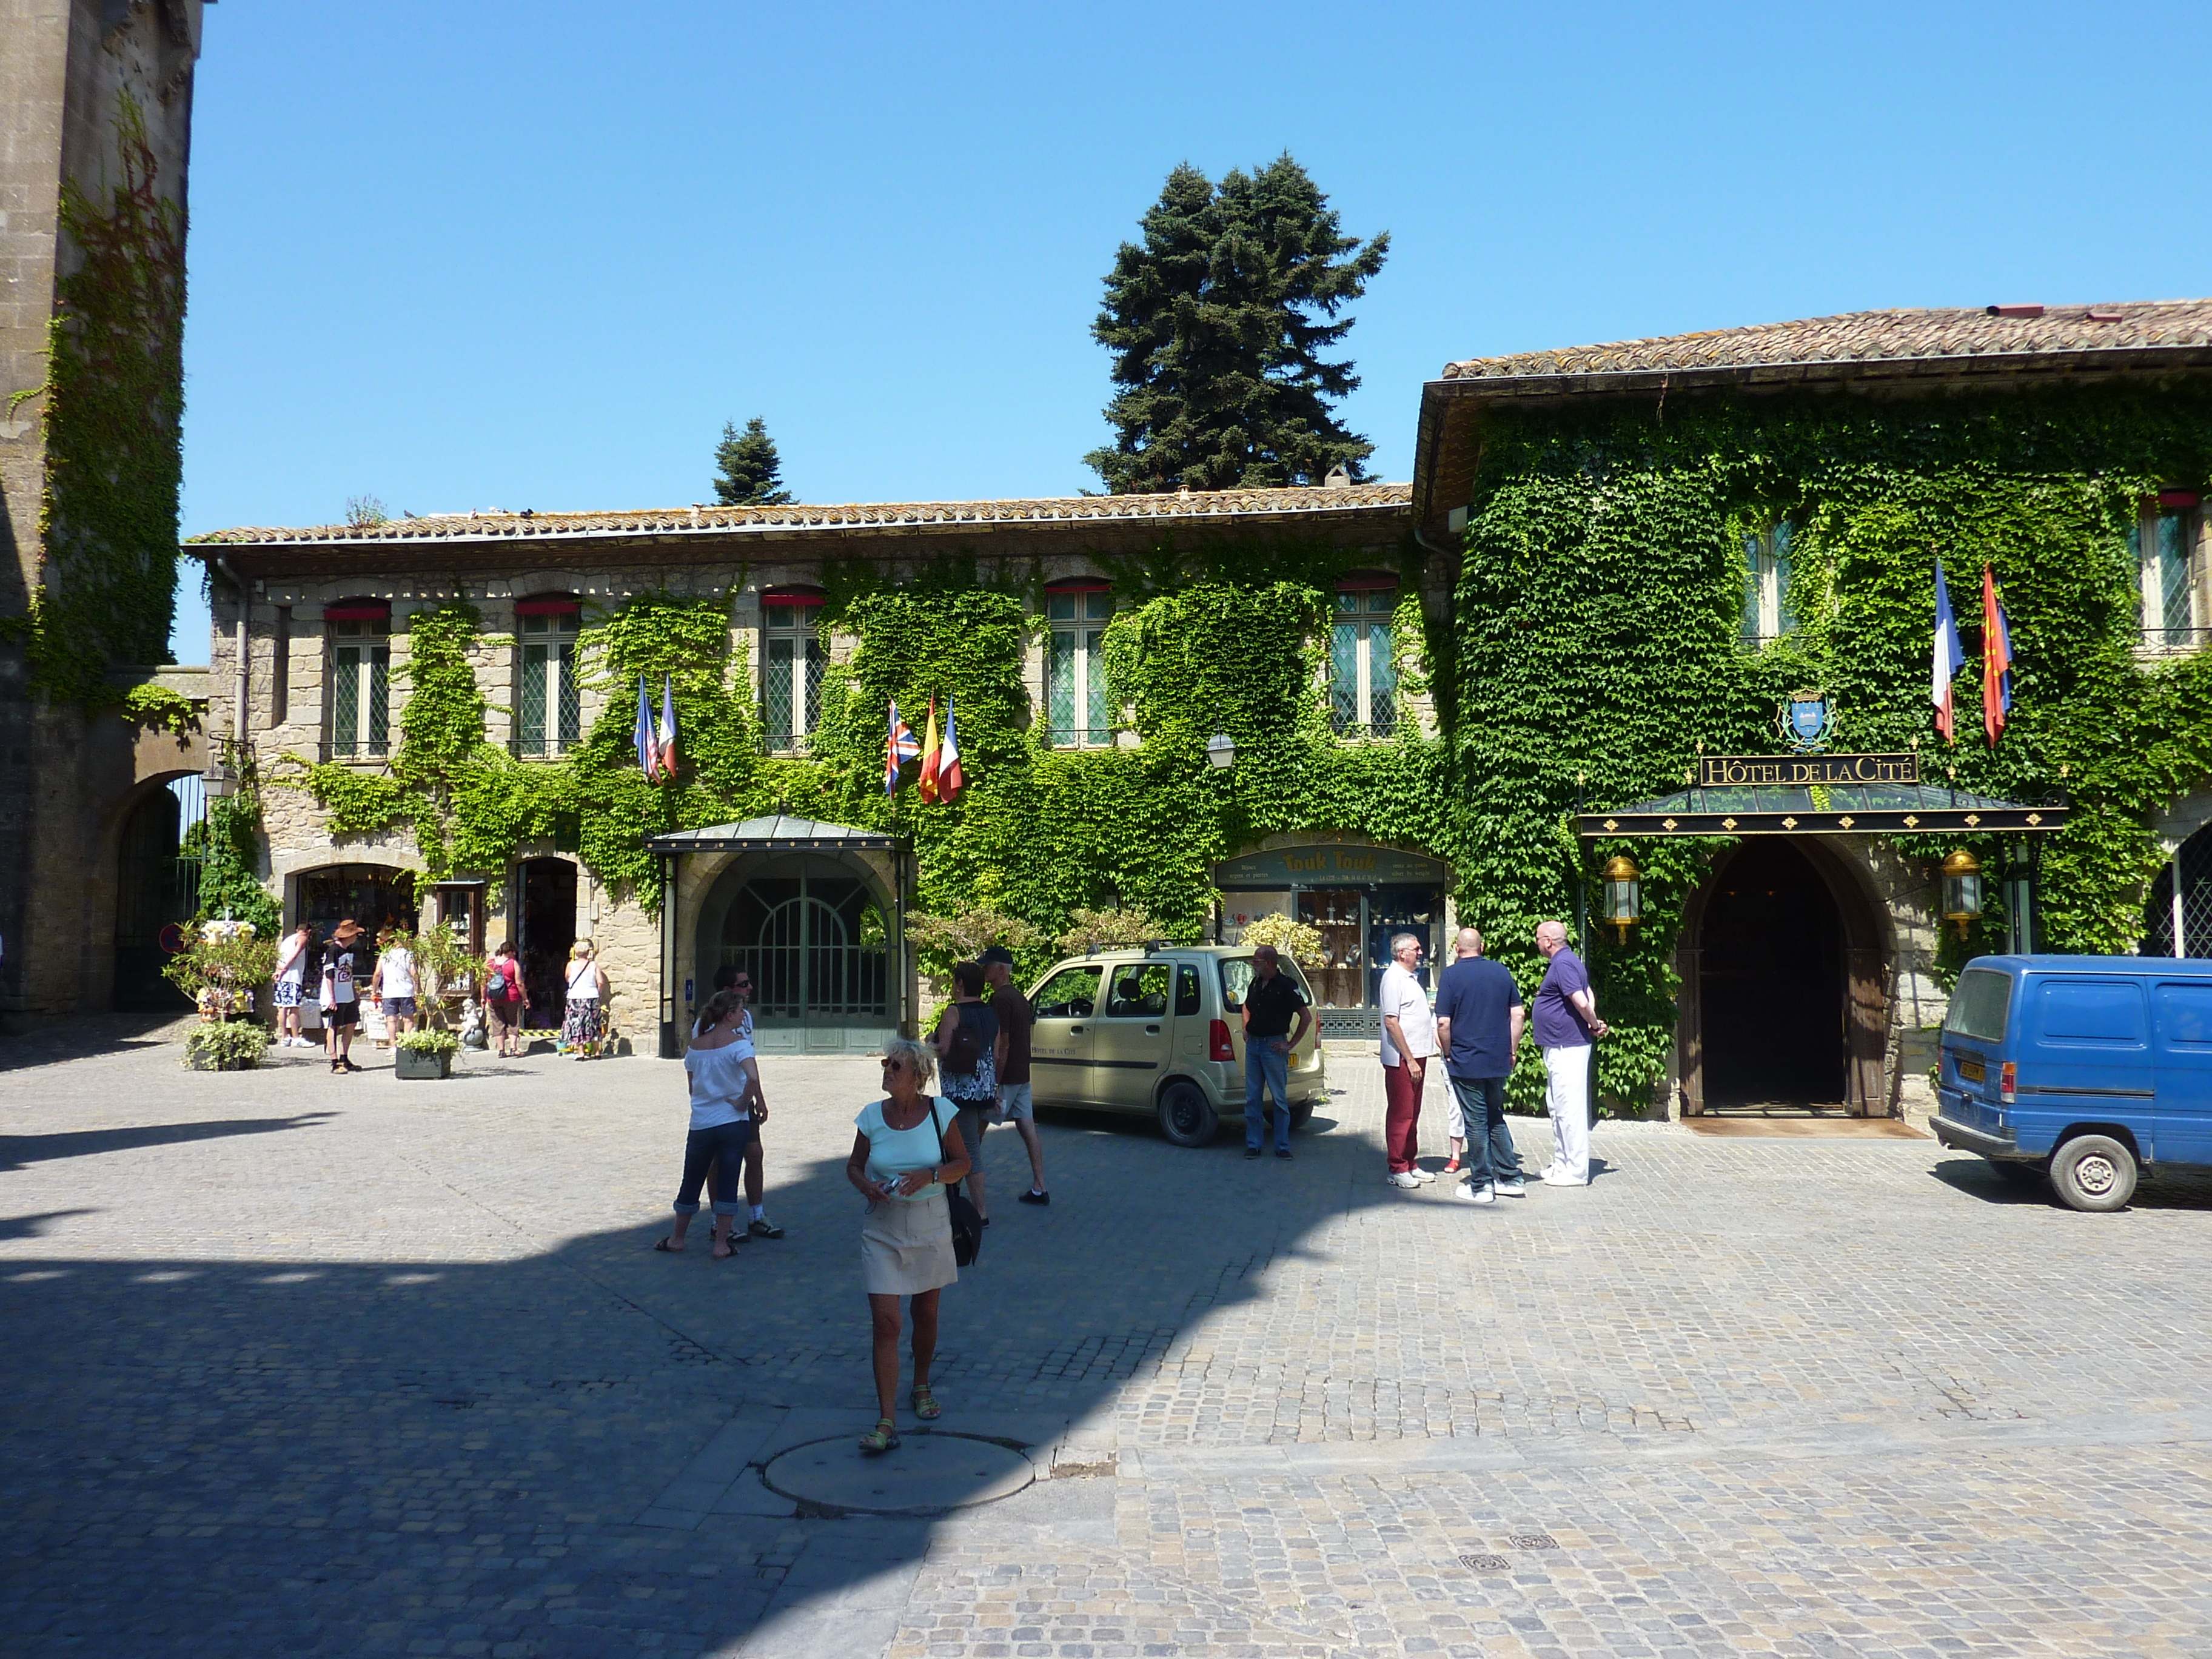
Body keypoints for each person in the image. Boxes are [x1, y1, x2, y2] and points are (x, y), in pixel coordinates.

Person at [846, 1036, 970, 1455]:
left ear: (917, 1075)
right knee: (886, 1323)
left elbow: (962, 1164)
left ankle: (921, 1384)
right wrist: (867, 1187)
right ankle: (886, 1420)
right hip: (882, 1227)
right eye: (885, 1063)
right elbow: (854, 1166)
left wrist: (931, 1176)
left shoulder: (940, 1111)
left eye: (895, 1065)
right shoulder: (870, 1116)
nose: (887, 1070)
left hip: (930, 1222)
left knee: (925, 1312)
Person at [657, 989, 756, 1261]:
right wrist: (741, 1103)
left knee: (692, 1178)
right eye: (740, 1011)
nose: (743, 1015)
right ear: (730, 1015)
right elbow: (753, 1078)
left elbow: (692, 1087)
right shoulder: (739, 1045)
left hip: (701, 1122)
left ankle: (678, 1237)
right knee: (728, 1179)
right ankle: (721, 1243)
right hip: (732, 1121)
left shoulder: (695, 1047)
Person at [1433, 927, 1528, 1207]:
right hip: (1497, 1058)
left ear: (1457, 949)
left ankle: (1482, 1184)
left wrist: (1448, 1052)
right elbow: (1518, 1014)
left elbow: (1443, 1023)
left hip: (1466, 1060)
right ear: (1482, 946)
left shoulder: (1451, 976)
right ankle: (1511, 1178)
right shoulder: (1502, 972)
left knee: (1475, 1122)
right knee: (1495, 1116)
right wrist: (1512, 1049)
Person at [694, 964, 782, 1240]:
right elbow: (698, 1064)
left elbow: (750, 1061)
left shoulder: (745, 1018)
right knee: (718, 1162)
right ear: (727, 991)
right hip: (722, 1103)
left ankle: (757, 1216)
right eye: (743, 984)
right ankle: (718, 1222)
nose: (750, 987)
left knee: (754, 1155)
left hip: (744, 1100)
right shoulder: (705, 1025)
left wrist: (758, 1097)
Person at [1531, 920, 1607, 1186]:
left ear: (1549, 941)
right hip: (1560, 1046)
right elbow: (1588, 993)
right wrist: (1591, 1022)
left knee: (1569, 1110)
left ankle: (1575, 1171)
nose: (1537, 942)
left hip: (1567, 1047)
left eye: (1539, 938)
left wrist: (1595, 1024)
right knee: (1557, 1107)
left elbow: (1581, 1000)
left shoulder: (1562, 964)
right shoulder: (1570, 961)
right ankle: (1562, 1164)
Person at [933, 961, 1005, 1224]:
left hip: (961, 1089)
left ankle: (980, 1212)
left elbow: (944, 1048)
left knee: (969, 1149)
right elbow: (996, 1054)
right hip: (984, 1088)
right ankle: (953, 1198)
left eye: (954, 981)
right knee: (964, 1144)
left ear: (961, 983)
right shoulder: (990, 1014)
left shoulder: (955, 1012)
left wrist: (930, 1042)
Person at [979, 946, 1048, 1206]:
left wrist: (994, 1082)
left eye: (988, 966)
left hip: (1006, 1077)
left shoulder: (1001, 1000)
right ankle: (1040, 1186)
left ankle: (956, 1184)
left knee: (977, 1130)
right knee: (1027, 1126)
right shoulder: (1019, 998)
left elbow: (1003, 1043)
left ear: (1001, 970)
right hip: (1022, 1074)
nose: (984, 970)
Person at [1239, 944, 1311, 1160]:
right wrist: (1245, 1029)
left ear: (1269, 963)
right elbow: (1246, 1006)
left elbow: (1305, 1017)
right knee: (1253, 1097)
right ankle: (1254, 1144)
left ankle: (1282, 1145)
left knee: (1279, 1098)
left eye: (1257, 962)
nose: (1253, 966)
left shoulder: (1286, 985)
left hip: (1274, 1046)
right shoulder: (1255, 984)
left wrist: (1290, 1045)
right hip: (1254, 1046)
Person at [1380, 931, 1439, 1188]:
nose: (1421, 952)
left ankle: (1410, 1161)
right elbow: (1391, 1021)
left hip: (1418, 1055)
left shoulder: (1410, 978)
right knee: (1401, 1113)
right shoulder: (1393, 978)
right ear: (1402, 953)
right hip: (1402, 1059)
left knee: (1413, 1113)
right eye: (1416, 948)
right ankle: (1397, 1166)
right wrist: (1410, 1059)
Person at [320, 919, 367, 1073]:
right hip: (335, 995)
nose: (356, 938)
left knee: (352, 1023)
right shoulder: (333, 950)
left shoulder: (349, 951)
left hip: (347, 994)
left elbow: (349, 973)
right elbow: (329, 975)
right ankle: (334, 1062)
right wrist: (332, 998)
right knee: (334, 1026)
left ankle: (344, 1057)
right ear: (348, 936)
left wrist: (354, 992)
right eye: (354, 935)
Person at [560, 940, 610, 1058]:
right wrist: (598, 993)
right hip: (592, 996)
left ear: (576, 952)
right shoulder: (593, 965)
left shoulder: (570, 965)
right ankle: (597, 1051)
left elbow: (567, 979)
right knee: (594, 1023)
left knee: (577, 1024)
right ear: (588, 952)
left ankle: (581, 1052)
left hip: (575, 997)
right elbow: (601, 982)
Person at [272, 922, 314, 1047]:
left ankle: (285, 1037)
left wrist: (278, 971)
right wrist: (284, 969)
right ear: (309, 931)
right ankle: (296, 1038)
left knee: (282, 1007)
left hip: (283, 977)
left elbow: (279, 957)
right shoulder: (302, 938)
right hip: (292, 977)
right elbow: (295, 955)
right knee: (293, 1007)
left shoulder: (286, 940)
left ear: (297, 929)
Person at [372, 929, 419, 1041]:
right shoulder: (408, 954)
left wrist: (374, 989)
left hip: (389, 991)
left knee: (391, 1020)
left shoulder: (385, 954)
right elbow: (414, 974)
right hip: (407, 991)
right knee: (408, 1019)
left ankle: (393, 1046)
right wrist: (417, 990)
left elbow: (378, 973)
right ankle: (407, 1044)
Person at [484, 940, 525, 1057]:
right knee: (513, 1022)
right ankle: (513, 1048)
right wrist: (525, 998)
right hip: (511, 997)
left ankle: (501, 1050)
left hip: (493, 998)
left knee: (497, 1023)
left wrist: (483, 998)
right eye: (514, 952)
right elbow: (519, 983)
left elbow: (483, 982)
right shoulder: (513, 963)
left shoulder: (489, 963)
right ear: (511, 951)